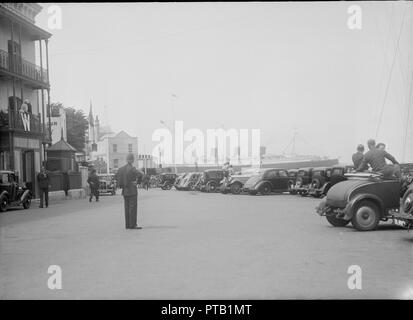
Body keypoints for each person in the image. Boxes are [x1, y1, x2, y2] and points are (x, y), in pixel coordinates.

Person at [116, 153, 143, 229]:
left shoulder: (121, 169)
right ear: (132, 160)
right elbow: (140, 175)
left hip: (125, 191)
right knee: (133, 208)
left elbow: (116, 177)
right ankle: (133, 225)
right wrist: (137, 182)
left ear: (126, 159)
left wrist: (122, 184)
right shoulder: (132, 168)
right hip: (132, 191)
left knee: (127, 208)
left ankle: (127, 225)